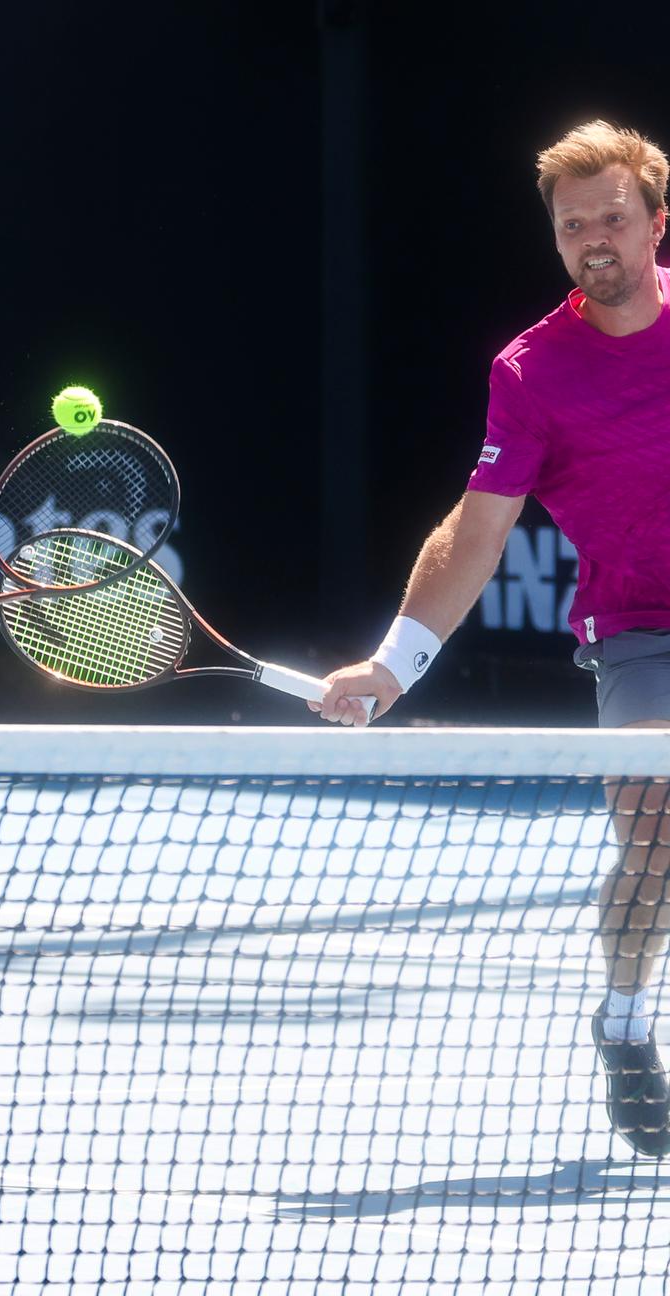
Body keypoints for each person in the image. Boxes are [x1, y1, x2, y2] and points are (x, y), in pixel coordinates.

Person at [313, 119, 670, 1158]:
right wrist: (392, 665)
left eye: (613, 218)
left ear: (657, 225)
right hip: (638, 623)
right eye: (573, 227)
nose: (595, 239)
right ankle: (624, 1017)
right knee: (653, 834)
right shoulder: (532, 373)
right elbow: (475, 534)